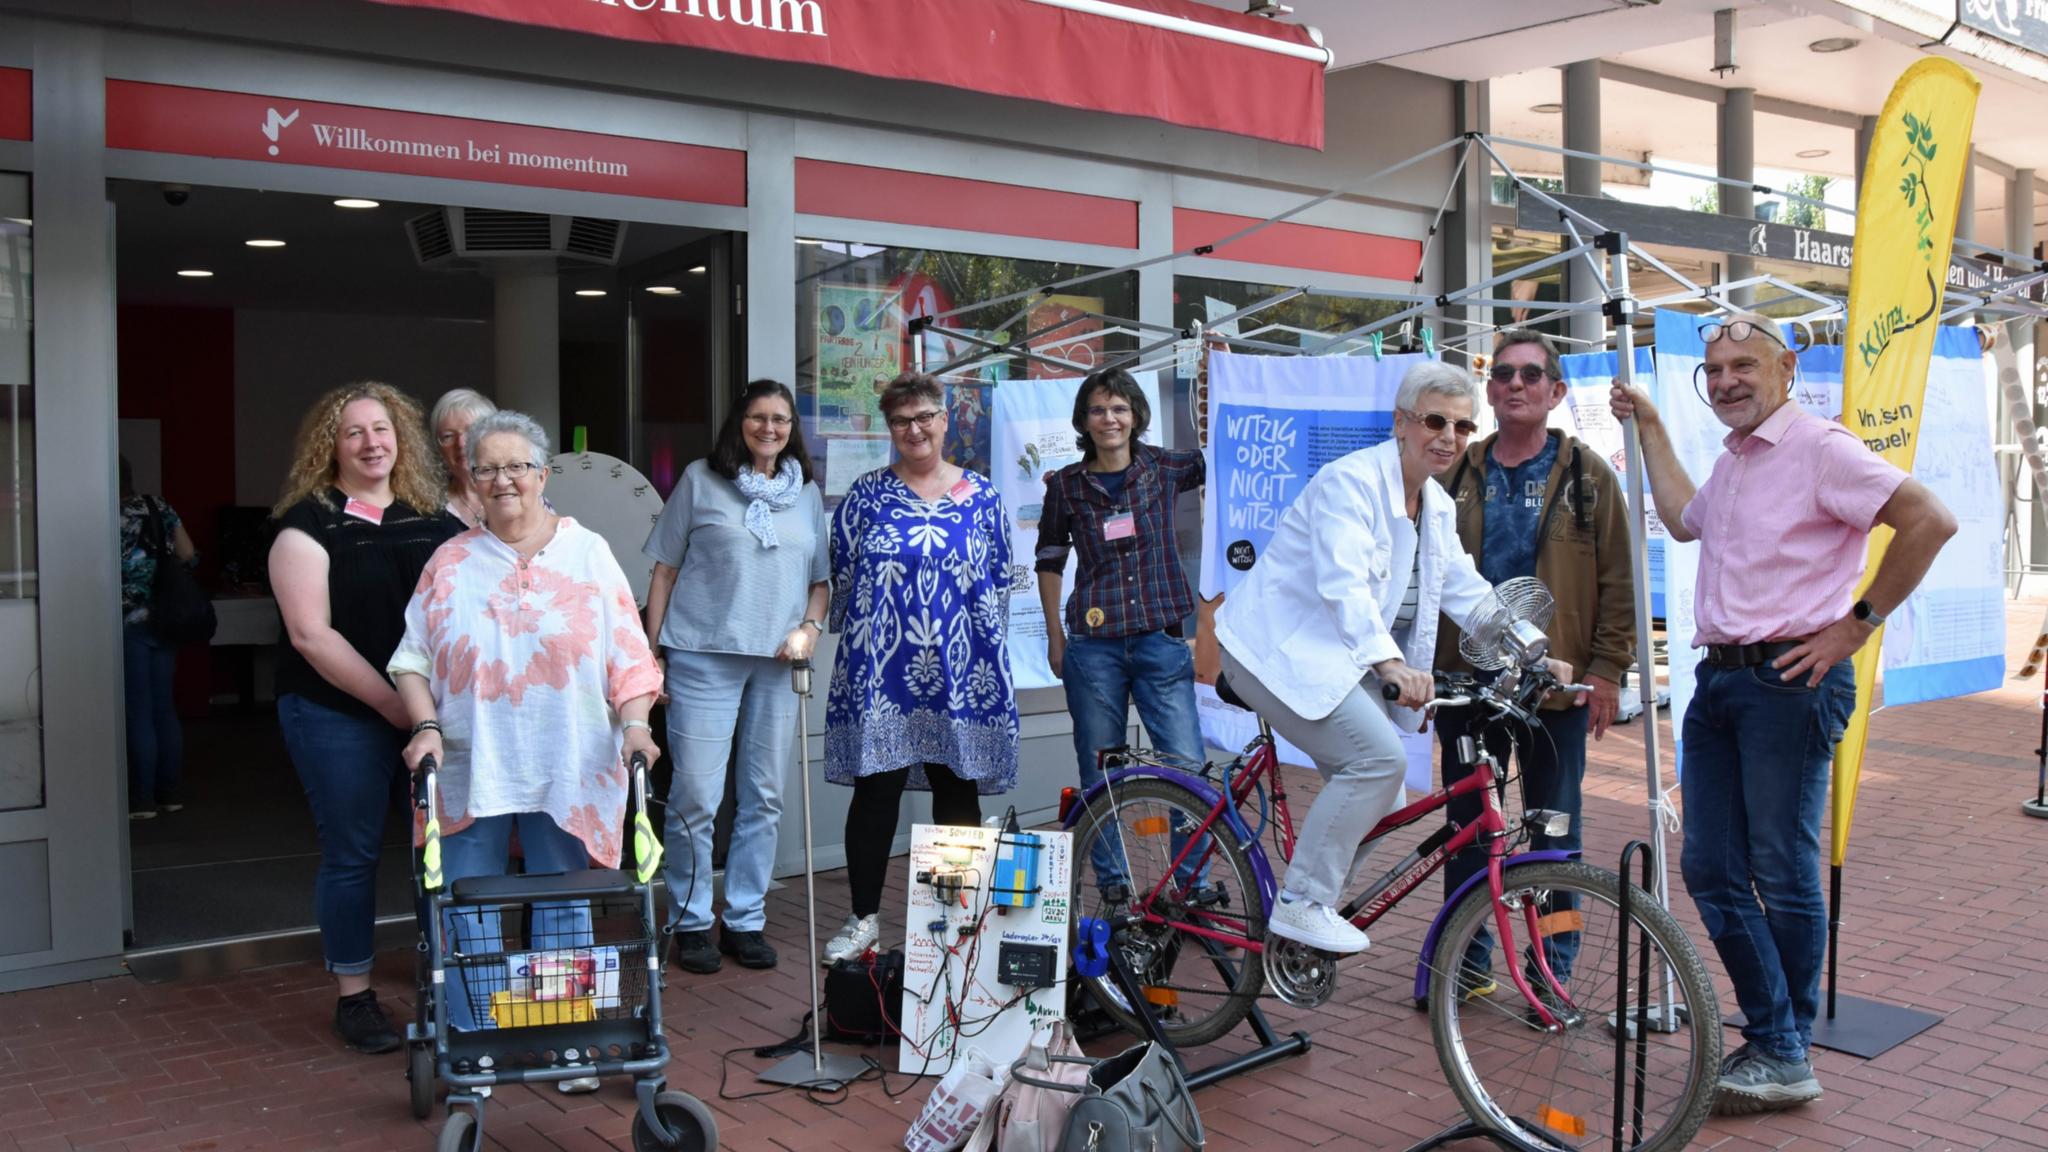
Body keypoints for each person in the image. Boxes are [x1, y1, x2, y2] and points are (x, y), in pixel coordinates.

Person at [1611, 311, 1956, 1113]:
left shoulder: (1820, 449)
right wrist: (1656, 425)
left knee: (1779, 868)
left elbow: (1930, 520)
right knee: (1709, 868)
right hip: (1723, 681)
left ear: (1787, 369)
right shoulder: (1738, 459)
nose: (1726, 379)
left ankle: (1781, 1047)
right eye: (1715, 369)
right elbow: (1680, 519)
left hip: (1788, 681)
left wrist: (1856, 625)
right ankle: (1779, 1039)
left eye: (1743, 365)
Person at [1214, 361, 1567, 954]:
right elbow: (1343, 585)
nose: (1448, 437)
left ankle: (1304, 913)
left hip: (1335, 660)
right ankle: (1303, 903)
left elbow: (1465, 588)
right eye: (1434, 420)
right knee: (1377, 764)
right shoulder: (1348, 483)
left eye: (1462, 426)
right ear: (1401, 423)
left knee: (1387, 794)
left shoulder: (1435, 505)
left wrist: (1530, 648)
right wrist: (1388, 665)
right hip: (1271, 650)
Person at [392, 409, 661, 1094]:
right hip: (471, 761)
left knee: (565, 903)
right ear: (472, 480)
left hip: (568, 761)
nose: (503, 480)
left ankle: (564, 1039)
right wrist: (423, 726)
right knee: (465, 905)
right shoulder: (450, 561)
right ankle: (477, 1044)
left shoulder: (588, 552)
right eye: (487, 468)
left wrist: (635, 724)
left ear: (544, 473)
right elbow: (411, 659)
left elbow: (630, 660)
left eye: (517, 466)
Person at [1433, 329, 1635, 996]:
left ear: (1556, 391)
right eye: (1503, 375)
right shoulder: (1455, 473)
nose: (1514, 385)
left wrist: (1607, 671)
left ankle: (1554, 969)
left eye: (1530, 374)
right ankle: (1465, 964)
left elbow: (1619, 581)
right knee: (1467, 831)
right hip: (1468, 686)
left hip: (1554, 687)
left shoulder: (1587, 476)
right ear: (1489, 390)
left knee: (1554, 835)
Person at [269, 382, 459, 1054]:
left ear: (400, 437)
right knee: (352, 854)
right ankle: (355, 998)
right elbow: (309, 635)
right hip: (337, 713)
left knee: (437, 851)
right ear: (332, 445)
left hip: (424, 715)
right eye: (354, 432)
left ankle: (442, 980)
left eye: (382, 429)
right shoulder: (307, 524)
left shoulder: (433, 516)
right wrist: (397, 706)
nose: (371, 443)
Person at [821, 372, 1019, 963]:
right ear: (890, 428)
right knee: (875, 791)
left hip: (963, 669)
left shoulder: (982, 495)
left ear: (945, 420)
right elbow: (844, 579)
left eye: (925, 416)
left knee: (956, 790)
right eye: (902, 420)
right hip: (883, 671)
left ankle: (950, 920)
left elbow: (1001, 582)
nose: (915, 429)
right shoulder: (865, 495)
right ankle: (863, 922)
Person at [642, 379, 828, 975]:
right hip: (702, 655)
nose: (768, 428)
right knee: (696, 796)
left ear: (791, 426)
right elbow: (664, 572)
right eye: (757, 417)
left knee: (765, 796)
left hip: (777, 664)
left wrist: (809, 629)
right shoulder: (700, 479)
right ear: (739, 423)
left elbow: (819, 583)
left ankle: (745, 919)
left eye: (779, 418)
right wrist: (652, 655)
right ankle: (692, 918)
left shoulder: (806, 493)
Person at [1035, 367, 1205, 887]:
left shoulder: (1164, 467)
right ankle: (1113, 887)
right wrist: (1055, 637)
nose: (1109, 418)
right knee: (1100, 773)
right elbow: (1048, 560)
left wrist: (1215, 377)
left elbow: (1227, 450)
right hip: (1094, 650)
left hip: (1160, 642)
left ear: (1135, 417)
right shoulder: (1066, 485)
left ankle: (1190, 886)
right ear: (1084, 421)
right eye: (1098, 410)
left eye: (1119, 409)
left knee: (1187, 772)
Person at [119, 455, 198, 820]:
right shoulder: (156, 505)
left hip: (125, 621)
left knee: (137, 711)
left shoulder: (104, 512)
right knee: (162, 707)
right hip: (164, 618)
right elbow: (187, 553)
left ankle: (141, 800)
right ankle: (169, 792)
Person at [431, 388, 498, 529]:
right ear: (439, 448)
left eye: (472, 431)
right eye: (448, 436)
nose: (461, 443)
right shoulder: (427, 506)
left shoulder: (519, 495)